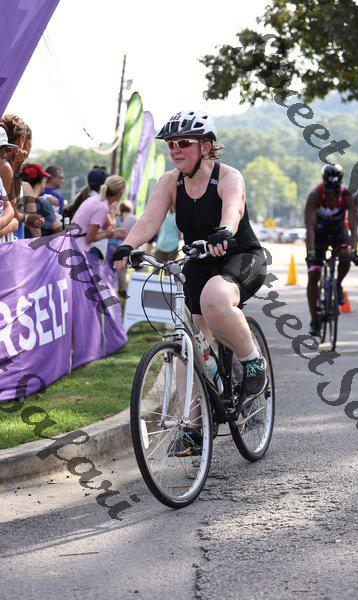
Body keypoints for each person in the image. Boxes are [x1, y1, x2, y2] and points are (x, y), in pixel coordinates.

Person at [113, 110, 268, 416]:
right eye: (171, 144)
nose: (175, 150)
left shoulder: (228, 176)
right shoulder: (170, 182)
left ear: (206, 146)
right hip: (198, 261)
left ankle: (252, 362)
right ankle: (194, 426)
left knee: (215, 299)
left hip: (240, 257)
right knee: (189, 344)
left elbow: (234, 208)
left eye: (183, 143)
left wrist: (225, 231)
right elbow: (150, 219)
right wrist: (128, 245)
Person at [304, 164, 358, 336]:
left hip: (338, 232)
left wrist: (354, 250)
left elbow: (354, 227)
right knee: (313, 275)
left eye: (335, 191)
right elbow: (309, 227)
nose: (332, 195)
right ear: (324, 184)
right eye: (329, 191)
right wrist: (311, 252)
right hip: (318, 234)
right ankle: (315, 320)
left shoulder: (347, 196)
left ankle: (338, 284)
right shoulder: (315, 195)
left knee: (345, 256)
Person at [72, 174, 126, 257]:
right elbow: (89, 239)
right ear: (120, 194)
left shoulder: (95, 199)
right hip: (80, 250)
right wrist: (108, 235)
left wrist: (111, 233)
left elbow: (105, 226)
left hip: (73, 245)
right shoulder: (102, 207)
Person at [20, 164, 62, 236]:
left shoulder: (17, 200)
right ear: (41, 180)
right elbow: (58, 228)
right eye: (45, 178)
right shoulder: (42, 203)